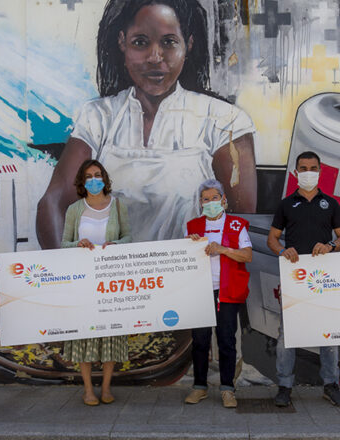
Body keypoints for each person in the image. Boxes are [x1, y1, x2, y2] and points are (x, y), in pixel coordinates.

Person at [36, 0, 257, 249]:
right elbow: (54, 203)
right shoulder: (98, 117)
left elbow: (242, 222)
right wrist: (69, 267)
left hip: (192, 271)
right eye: (140, 42)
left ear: (188, 44)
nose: (155, 57)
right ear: (122, 42)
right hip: (113, 271)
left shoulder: (225, 120)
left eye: (169, 42)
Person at [266, 151, 340, 407]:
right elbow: (272, 239)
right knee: (287, 334)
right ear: (296, 173)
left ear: (320, 171)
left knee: (327, 333)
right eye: (303, 168)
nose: (308, 173)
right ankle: (284, 386)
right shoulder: (286, 204)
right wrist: (283, 251)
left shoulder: (331, 204)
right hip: (294, 278)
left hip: (323, 279)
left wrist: (330, 246)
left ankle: (331, 385)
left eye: (313, 168)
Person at [60, 158, 131, 406]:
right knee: (84, 334)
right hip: (83, 283)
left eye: (97, 175)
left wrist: (116, 244)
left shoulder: (118, 206)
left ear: (104, 178)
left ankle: (107, 387)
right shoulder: (74, 209)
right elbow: (63, 244)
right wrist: (77, 244)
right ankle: (88, 389)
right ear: (82, 181)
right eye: (88, 176)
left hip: (111, 280)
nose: (93, 180)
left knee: (111, 333)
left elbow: (129, 237)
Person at [184, 179, 252, 408]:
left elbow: (247, 255)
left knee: (226, 340)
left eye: (215, 198)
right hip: (200, 291)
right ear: (200, 203)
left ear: (223, 199)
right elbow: (183, 257)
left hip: (227, 291)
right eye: (206, 199)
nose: (211, 202)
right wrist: (188, 245)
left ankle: (227, 389)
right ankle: (199, 386)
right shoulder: (192, 226)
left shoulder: (236, 225)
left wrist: (223, 249)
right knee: (200, 340)